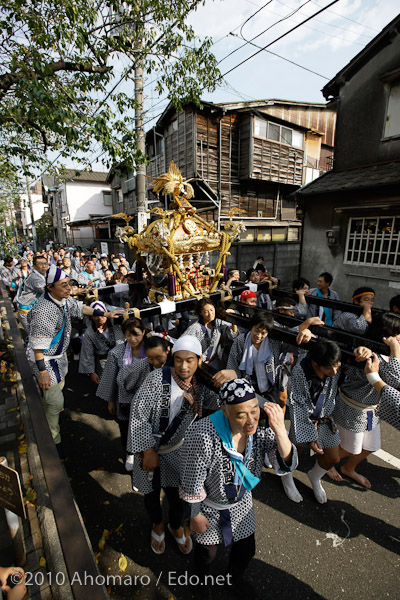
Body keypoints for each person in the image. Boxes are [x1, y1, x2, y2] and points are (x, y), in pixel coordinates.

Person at [179, 378, 296, 592]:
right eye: (241, 415)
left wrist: (280, 430)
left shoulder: (260, 428)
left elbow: (285, 462)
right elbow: (191, 480)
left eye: (254, 410)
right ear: (224, 411)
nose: (250, 420)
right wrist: (194, 515)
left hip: (240, 504)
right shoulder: (203, 435)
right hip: (209, 506)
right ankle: (199, 583)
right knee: (207, 554)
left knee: (246, 549)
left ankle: (233, 580)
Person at [127, 336, 220, 555]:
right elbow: (138, 415)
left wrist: (230, 377)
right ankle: (157, 524)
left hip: (179, 449)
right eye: (178, 360)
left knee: (177, 494)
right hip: (149, 448)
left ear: (199, 360)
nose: (184, 366)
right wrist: (147, 450)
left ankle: (175, 525)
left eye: (190, 360)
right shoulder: (157, 379)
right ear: (172, 358)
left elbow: (225, 403)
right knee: (151, 492)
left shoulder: (202, 387)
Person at [28, 265, 123, 455]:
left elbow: (81, 307)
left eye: (68, 284)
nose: (68, 288)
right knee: (55, 402)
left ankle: (49, 417)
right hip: (45, 359)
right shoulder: (44, 311)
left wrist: (105, 314)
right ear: (49, 287)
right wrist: (43, 372)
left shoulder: (63, 300)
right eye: (63, 285)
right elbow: (37, 346)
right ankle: (52, 444)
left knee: (55, 397)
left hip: (58, 357)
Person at [329, 312, 400, 488]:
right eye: (398, 333)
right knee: (349, 448)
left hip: (372, 409)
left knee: (371, 445)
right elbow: (395, 381)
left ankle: (348, 468)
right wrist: (395, 350)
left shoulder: (385, 352)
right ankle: (325, 463)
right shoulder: (369, 355)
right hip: (354, 408)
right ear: (387, 335)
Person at [285, 340, 342, 504]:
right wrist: (309, 436)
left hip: (326, 418)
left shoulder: (333, 367)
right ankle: (287, 475)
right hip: (304, 418)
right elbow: (297, 405)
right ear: (316, 363)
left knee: (333, 457)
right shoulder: (300, 372)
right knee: (295, 450)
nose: (334, 370)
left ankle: (315, 476)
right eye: (329, 367)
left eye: (337, 365)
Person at [97, 317, 147, 455]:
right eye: (128, 335)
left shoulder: (151, 349)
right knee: (125, 427)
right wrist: (111, 400)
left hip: (146, 397)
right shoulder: (116, 352)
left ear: (144, 332)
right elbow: (110, 378)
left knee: (146, 425)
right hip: (124, 397)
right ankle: (129, 452)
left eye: (136, 334)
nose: (133, 339)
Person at [78, 300, 125, 385]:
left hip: (123, 358)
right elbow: (87, 353)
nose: (100, 318)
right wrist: (91, 372)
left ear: (106, 312)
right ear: (91, 317)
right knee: (109, 387)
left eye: (102, 314)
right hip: (104, 362)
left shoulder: (116, 323)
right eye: (96, 315)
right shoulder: (89, 333)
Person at [184, 298, 236, 370]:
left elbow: (233, 335)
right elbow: (183, 345)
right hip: (199, 365)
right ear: (200, 313)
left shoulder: (218, 323)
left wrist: (233, 320)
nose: (210, 314)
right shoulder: (195, 328)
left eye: (212, 310)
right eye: (206, 312)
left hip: (215, 362)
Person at [364, 341, 400, 431]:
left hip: (372, 412)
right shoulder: (375, 356)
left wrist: (374, 377)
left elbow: (395, 380)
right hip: (353, 411)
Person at [16, 254, 48, 334]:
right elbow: (48, 291)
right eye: (40, 264)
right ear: (34, 266)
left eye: (45, 263)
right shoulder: (35, 278)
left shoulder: (42, 276)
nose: (44, 266)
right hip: (27, 311)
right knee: (35, 337)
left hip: (33, 310)